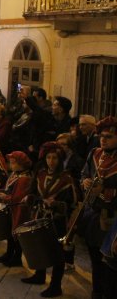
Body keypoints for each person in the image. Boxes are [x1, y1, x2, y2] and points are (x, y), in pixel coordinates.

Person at [21, 142, 78, 298]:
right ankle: (39, 275)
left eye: (55, 158)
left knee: (57, 252)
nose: (51, 161)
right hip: (40, 216)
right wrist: (30, 197)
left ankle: (55, 285)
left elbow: (71, 204)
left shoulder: (66, 178)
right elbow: (33, 193)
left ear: (60, 160)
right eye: (48, 157)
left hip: (57, 221)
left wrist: (56, 204)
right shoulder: (40, 174)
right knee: (40, 247)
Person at [78, 116, 117, 298]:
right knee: (94, 257)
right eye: (102, 136)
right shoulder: (95, 153)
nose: (103, 139)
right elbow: (84, 173)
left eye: (108, 136)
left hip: (111, 217)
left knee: (110, 261)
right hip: (92, 214)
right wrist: (84, 182)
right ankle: (97, 290)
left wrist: (105, 191)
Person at [0, 151, 33, 267]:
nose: (10, 165)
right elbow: (9, 188)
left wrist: (5, 197)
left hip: (18, 210)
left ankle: (17, 257)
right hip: (11, 208)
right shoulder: (15, 174)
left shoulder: (25, 178)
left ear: (21, 164)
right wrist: (2, 191)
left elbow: (18, 197)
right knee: (10, 233)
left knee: (16, 234)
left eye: (12, 163)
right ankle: (9, 253)